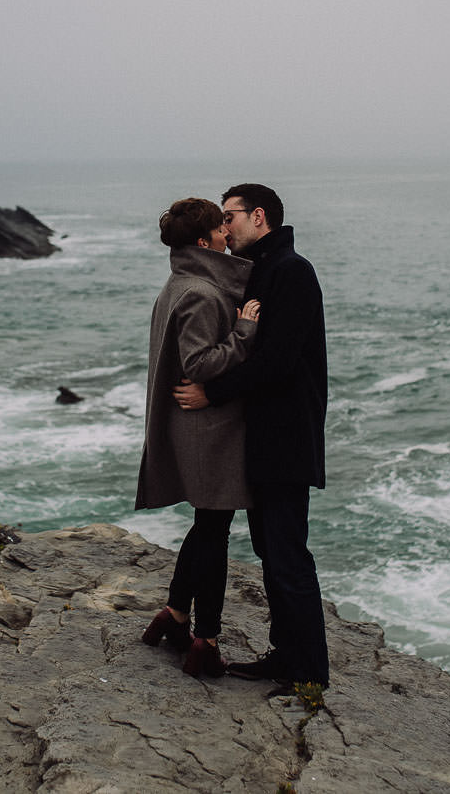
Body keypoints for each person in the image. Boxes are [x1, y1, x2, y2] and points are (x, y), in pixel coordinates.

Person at [174, 183, 329, 688]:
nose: (225, 226)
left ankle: (308, 675)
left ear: (257, 216)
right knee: (271, 551)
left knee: (287, 555)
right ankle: (285, 657)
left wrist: (211, 393)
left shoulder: (291, 271)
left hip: (286, 437)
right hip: (261, 437)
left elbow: (278, 362)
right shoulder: (260, 270)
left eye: (230, 216)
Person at [136, 197, 262, 677]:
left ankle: (174, 616)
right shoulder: (202, 293)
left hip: (194, 432)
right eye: (220, 227)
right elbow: (200, 365)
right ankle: (205, 642)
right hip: (208, 434)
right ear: (204, 239)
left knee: (206, 527)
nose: (228, 234)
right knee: (215, 533)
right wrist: (246, 331)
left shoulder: (180, 283)